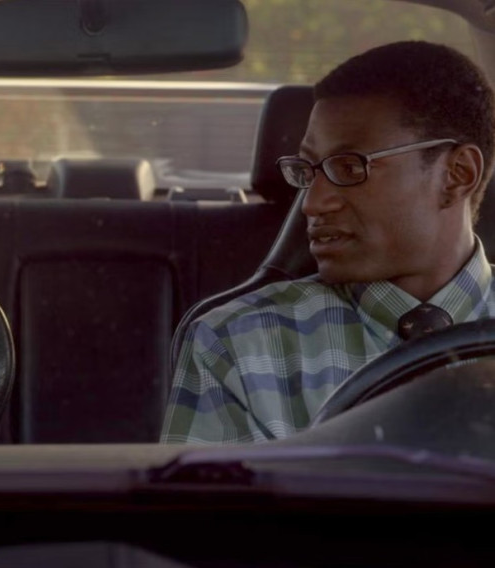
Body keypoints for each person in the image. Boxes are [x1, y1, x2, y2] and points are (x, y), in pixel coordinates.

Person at [160, 40, 495, 444]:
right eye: (308, 171)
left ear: (457, 174)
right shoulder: (237, 344)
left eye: (350, 168)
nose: (312, 204)